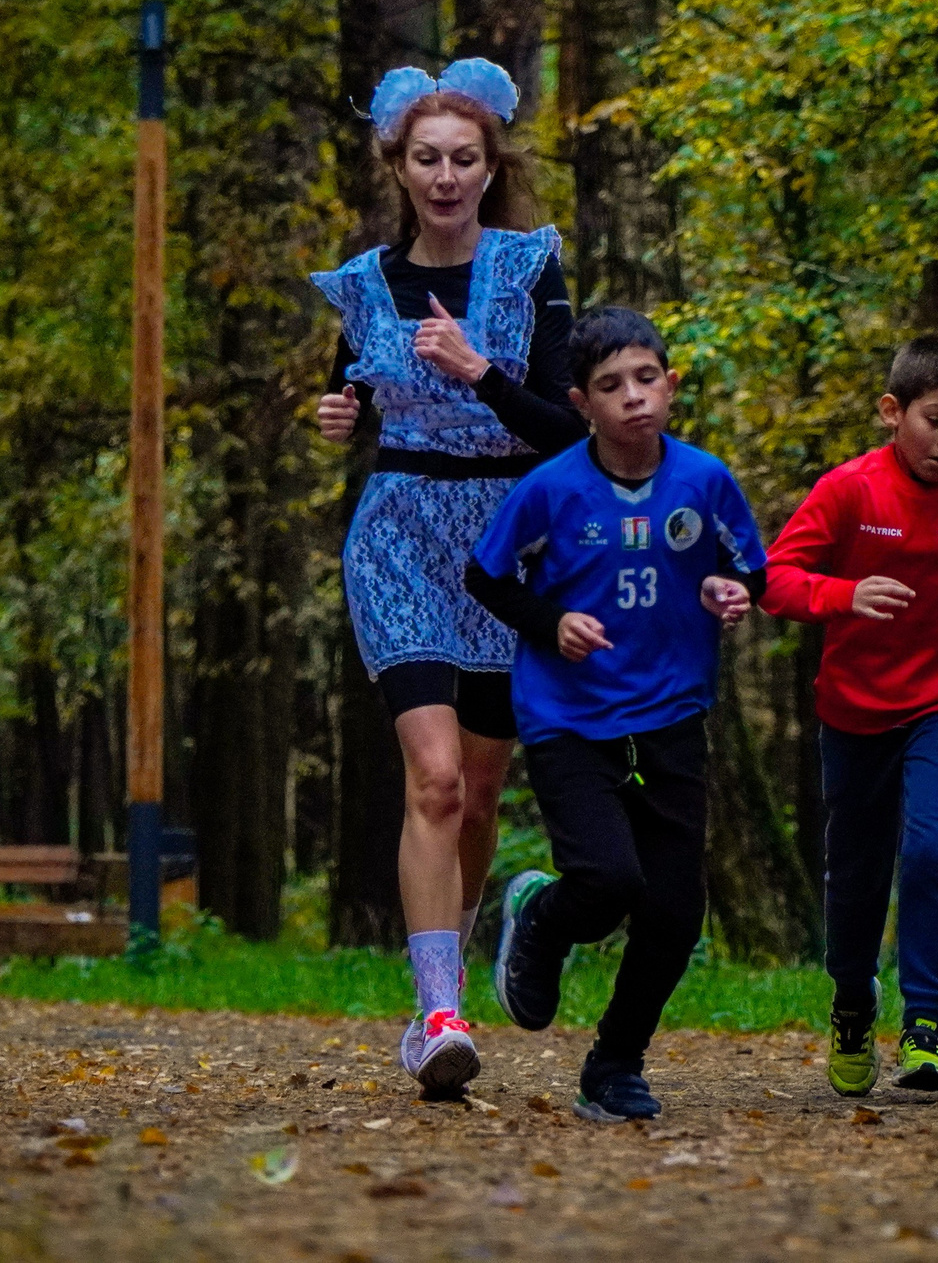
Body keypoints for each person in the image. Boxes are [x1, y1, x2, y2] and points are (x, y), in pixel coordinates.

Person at [307, 57, 585, 1095]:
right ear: (398, 165)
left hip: (511, 543)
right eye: (426, 157)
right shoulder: (365, 285)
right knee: (429, 778)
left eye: (463, 158)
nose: (445, 175)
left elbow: (569, 429)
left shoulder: (528, 272)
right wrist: (335, 420)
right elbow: (343, 398)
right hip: (398, 540)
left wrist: (482, 373)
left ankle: (449, 975)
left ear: (489, 165)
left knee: (475, 794)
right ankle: (436, 1014)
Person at [470, 308, 765, 1122]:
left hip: (671, 712)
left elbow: (747, 568)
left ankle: (615, 1062)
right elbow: (488, 577)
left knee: (675, 909)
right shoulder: (551, 488)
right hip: (570, 716)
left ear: (670, 385)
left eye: (646, 379)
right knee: (607, 879)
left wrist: (728, 590)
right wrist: (549, 622)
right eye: (611, 386)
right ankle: (538, 915)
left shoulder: (705, 480)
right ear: (582, 402)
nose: (633, 397)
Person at [759, 339, 938, 1096]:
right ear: (894, 412)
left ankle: (926, 1024)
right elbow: (776, 580)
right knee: (855, 871)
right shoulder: (849, 490)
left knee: (930, 848)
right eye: (935, 419)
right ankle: (853, 1000)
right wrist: (843, 595)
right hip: (854, 708)